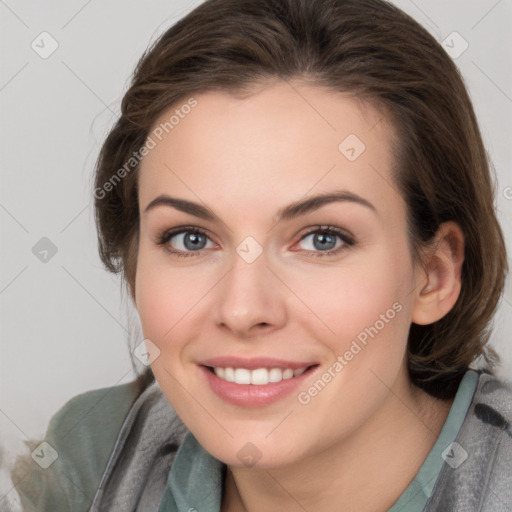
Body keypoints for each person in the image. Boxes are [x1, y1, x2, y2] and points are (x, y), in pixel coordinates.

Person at [9, 0, 512, 510]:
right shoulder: (89, 462)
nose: (243, 310)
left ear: (435, 275)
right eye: (191, 238)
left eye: (322, 239)